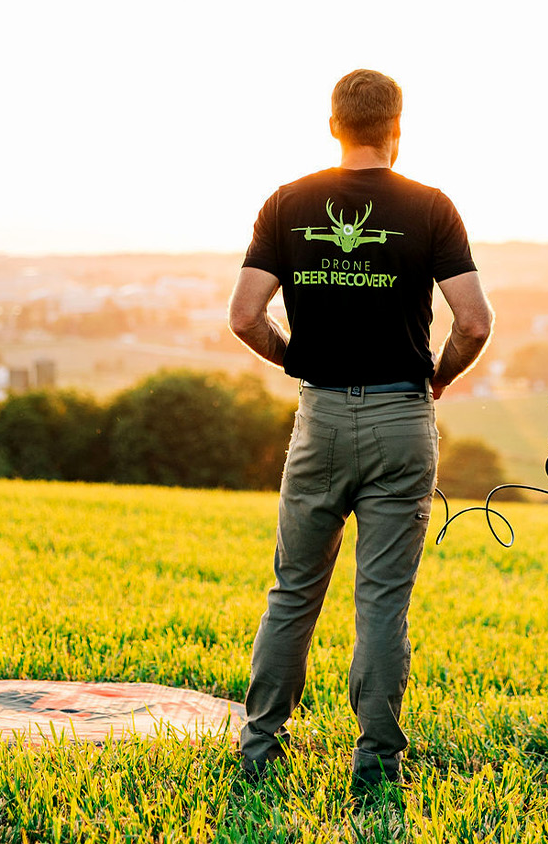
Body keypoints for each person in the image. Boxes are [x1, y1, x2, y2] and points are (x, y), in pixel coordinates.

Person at [227, 68, 493, 790]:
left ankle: (260, 748)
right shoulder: (431, 207)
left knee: (293, 591)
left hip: (319, 416)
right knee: (382, 603)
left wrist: (296, 359)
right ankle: (376, 763)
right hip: (401, 418)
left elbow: (245, 315)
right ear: (396, 129)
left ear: (333, 126)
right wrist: (439, 376)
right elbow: (474, 323)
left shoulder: (286, 203)